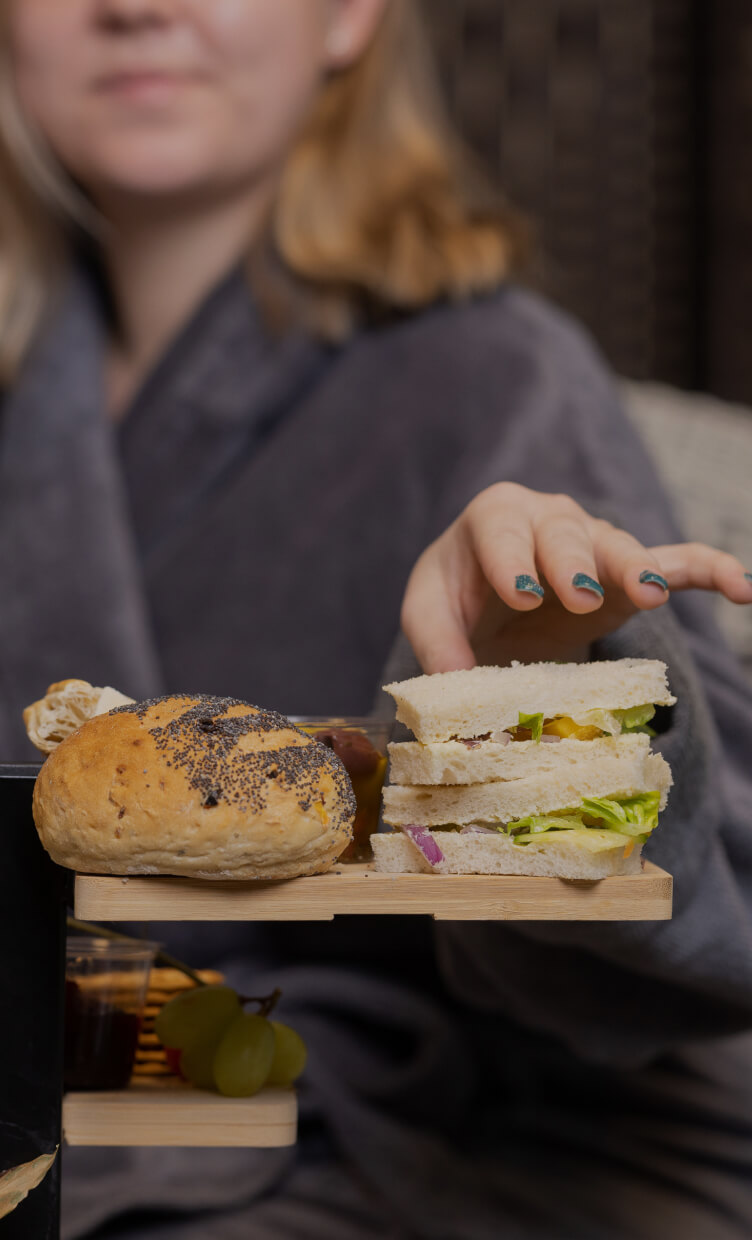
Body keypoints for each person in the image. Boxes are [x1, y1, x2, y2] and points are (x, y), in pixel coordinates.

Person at [1, 1, 751, 1237]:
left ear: (348, 15)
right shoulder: (32, 403)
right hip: (102, 1088)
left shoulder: (500, 373)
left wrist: (535, 699)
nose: (134, 4)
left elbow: (717, 882)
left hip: (476, 1136)